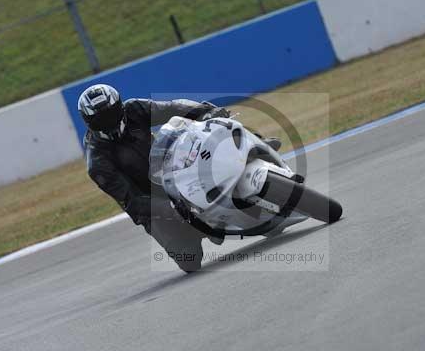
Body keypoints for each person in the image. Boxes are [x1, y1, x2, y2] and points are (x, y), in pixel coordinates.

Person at [78, 84, 281, 272]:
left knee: (213, 131)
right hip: (150, 202)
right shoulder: (97, 162)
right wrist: (171, 208)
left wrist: (204, 111)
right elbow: (132, 201)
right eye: (101, 119)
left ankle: (256, 145)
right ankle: (198, 229)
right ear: (89, 123)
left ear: (120, 106)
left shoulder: (134, 109)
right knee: (189, 261)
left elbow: (173, 108)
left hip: (171, 166)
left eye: (111, 113)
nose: (109, 121)